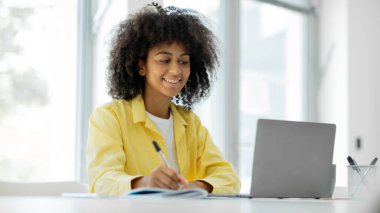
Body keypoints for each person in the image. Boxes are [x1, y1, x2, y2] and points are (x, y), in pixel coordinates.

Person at [86, 3, 241, 195]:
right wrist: (146, 182)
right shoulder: (109, 117)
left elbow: (229, 178)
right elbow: (102, 181)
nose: (176, 70)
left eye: (183, 62)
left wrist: (194, 187)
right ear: (141, 66)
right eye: (164, 60)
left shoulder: (191, 123)